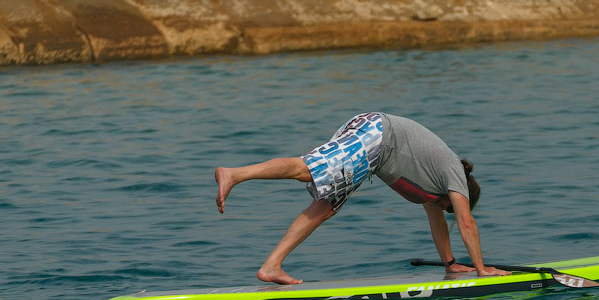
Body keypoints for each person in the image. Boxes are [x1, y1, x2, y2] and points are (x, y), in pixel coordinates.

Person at [213, 112, 511, 285]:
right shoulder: (454, 172)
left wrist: (451, 264)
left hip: (373, 144)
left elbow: (438, 222)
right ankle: (235, 174)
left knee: (325, 207)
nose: (444, 208)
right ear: (460, 193)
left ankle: (271, 266)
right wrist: (481, 269)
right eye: (449, 205)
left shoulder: (432, 185)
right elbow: (466, 222)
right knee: (306, 169)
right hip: (376, 134)